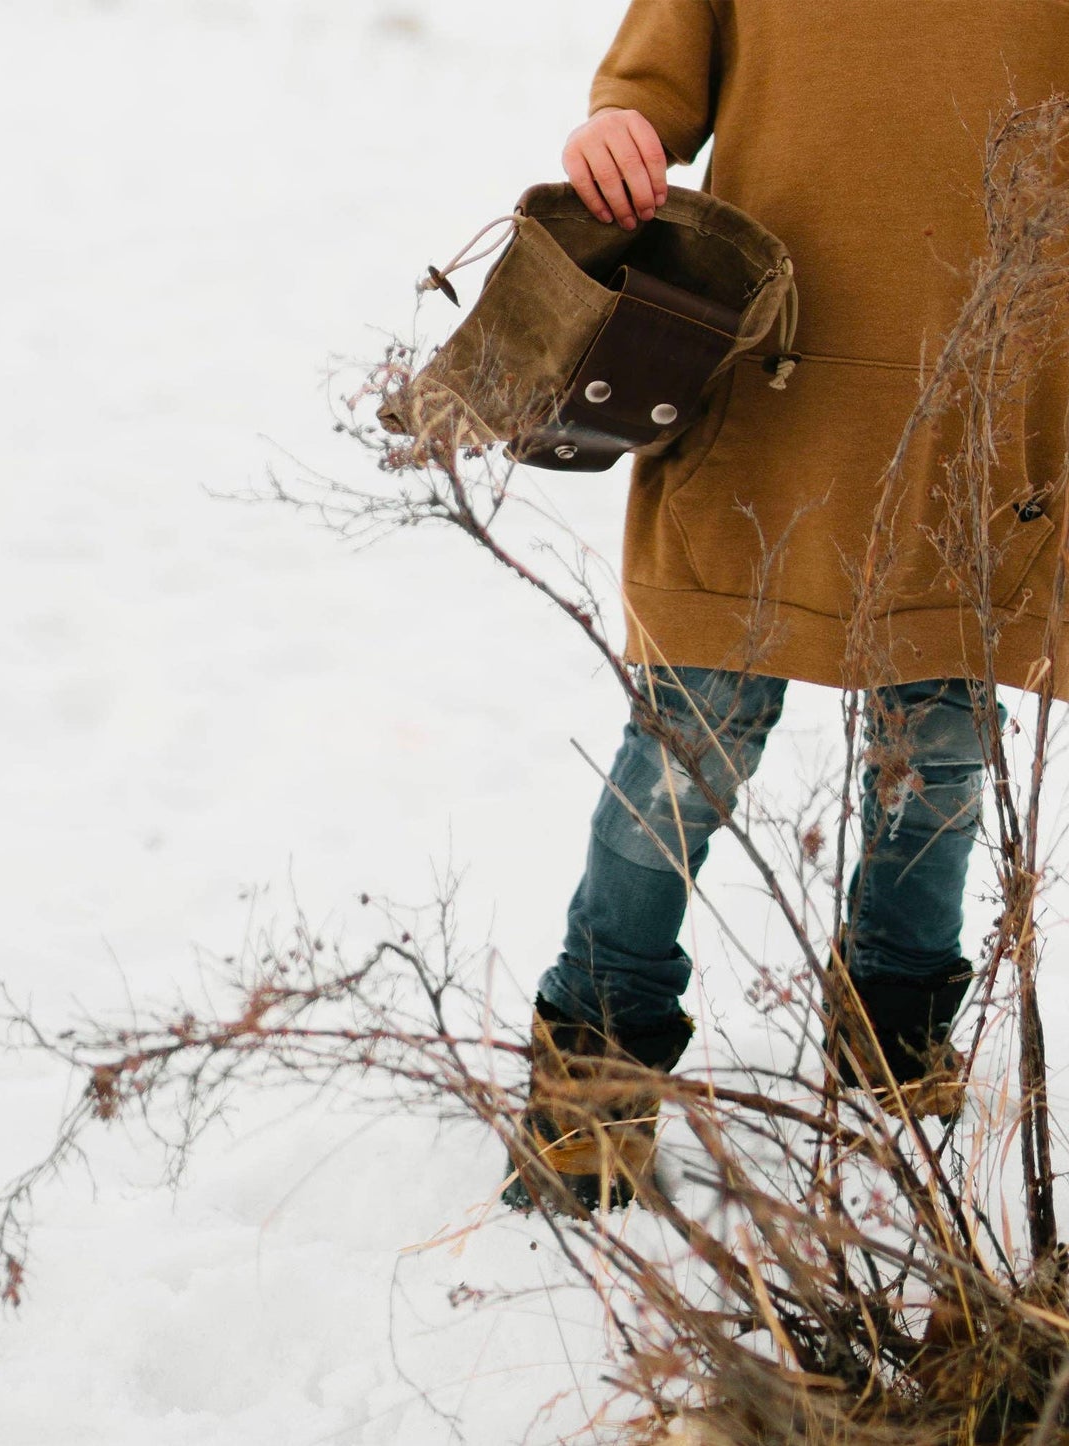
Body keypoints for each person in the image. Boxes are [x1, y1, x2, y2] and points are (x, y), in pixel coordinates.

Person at [506, 0, 1069, 1214]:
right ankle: (595, 1064)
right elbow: (651, 85)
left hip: (980, 386)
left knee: (943, 742)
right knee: (686, 743)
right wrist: (618, 127)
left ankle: (895, 1042)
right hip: (769, 377)